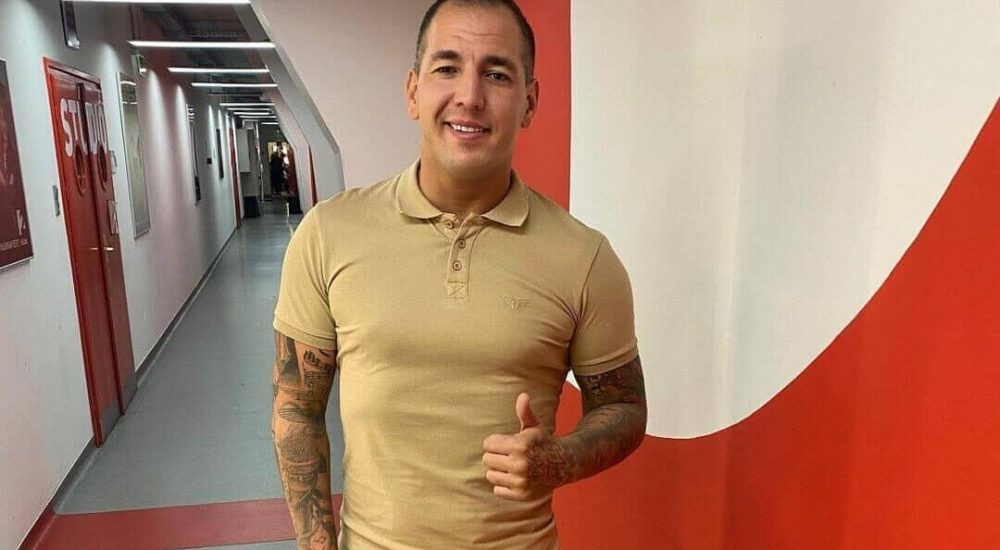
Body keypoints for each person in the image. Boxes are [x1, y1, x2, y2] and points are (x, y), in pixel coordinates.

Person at [271, 1, 646, 548]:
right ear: (413, 91)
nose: (470, 95)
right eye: (447, 68)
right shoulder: (328, 235)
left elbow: (624, 406)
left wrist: (561, 459)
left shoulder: (584, 258)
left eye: (497, 74)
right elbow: (296, 411)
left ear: (530, 102)